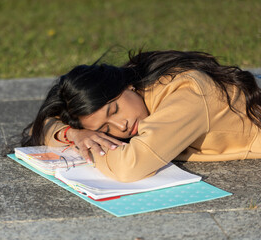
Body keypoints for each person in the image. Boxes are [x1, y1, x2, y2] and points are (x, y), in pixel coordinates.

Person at [16, 50, 261, 182]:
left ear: (127, 86)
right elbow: (36, 129)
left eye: (114, 110)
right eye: (103, 130)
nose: (121, 126)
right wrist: (75, 134)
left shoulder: (187, 94)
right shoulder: (141, 86)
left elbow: (130, 167)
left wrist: (90, 147)